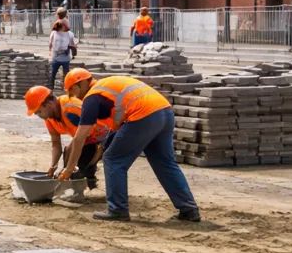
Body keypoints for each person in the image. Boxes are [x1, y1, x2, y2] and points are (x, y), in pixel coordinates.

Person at [59, 68, 200, 222]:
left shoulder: (92, 97)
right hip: (164, 112)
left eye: (74, 92)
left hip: (145, 115)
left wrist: (69, 168)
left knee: (113, 160)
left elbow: (80, 138)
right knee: (164, 163)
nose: (76, 97)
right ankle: (188, 209)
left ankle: (117, 210)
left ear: (80, 85)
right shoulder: (106, 88)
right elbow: (116, 128)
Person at [25, 85, 108, 190]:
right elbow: (56, 143)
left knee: (77, 164)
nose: (39, 116)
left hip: (104, 135)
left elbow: (80, 139)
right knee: (68, 157)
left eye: (39, 112)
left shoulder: (70, 109)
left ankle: (86, 182)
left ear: (49, 104)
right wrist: (53, 166)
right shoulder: (49, 118)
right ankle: (80, 181)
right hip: (87, 138)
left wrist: (69, 168)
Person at [48, 20, 77, 88]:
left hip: (62, 58)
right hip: (59, 58)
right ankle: (57, 87)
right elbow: (50, 44)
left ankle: (62, 87)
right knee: (58, 74)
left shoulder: (56, 33)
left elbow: (50, 44)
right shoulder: (56, 33)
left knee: (55, 73)